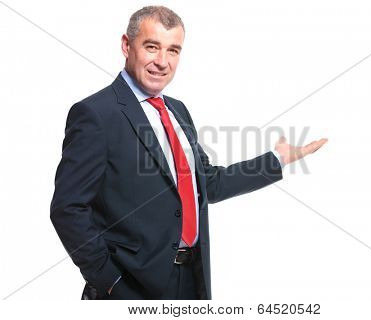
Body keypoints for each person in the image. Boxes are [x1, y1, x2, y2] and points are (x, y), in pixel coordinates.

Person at [50, 5, 327, 300]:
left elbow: (207, 183)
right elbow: (68, 209)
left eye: (173, 50)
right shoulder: (95, 114)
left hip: (192, 279)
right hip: (131, 287)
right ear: (126, 45)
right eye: (152, 47)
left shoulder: (177, 110)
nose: (162, 61)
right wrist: (110, 281)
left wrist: (277, 159)